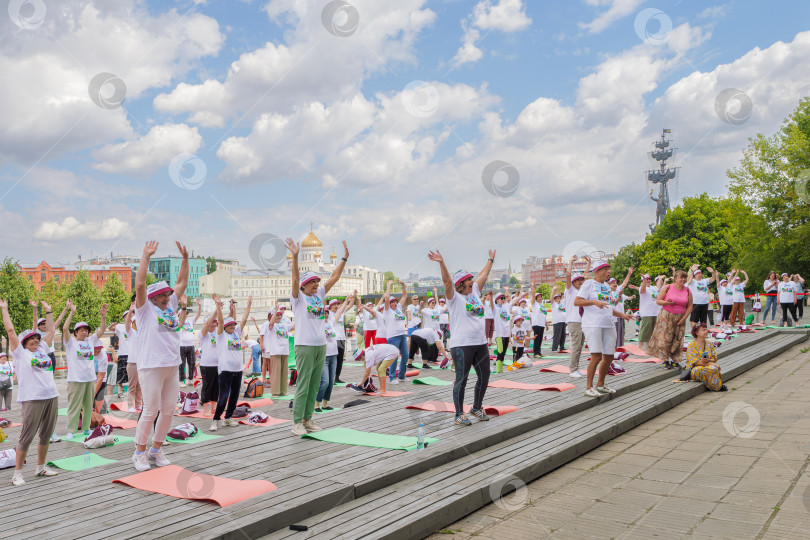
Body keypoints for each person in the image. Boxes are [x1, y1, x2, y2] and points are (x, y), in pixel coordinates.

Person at [131, 240, 190, 472]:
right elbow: (140, 284)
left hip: (171, 366)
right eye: (163, 295)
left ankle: (156, 450)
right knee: (151, 410)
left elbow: (182, 282)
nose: (167, 297)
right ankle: (139, 453)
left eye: (168, 294)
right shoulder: (145, 310)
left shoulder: (170, 307)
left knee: (168, 411)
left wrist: (185, 258)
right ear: (153, 298)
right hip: (151, 366)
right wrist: (145, 256)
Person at [284, 237, 349, 436]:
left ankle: (308, 419)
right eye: (312, 282)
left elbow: (334, 278)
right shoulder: (298, 298)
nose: (316, 284)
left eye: (316, 281)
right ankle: (296, 422)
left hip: (321, 345)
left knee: (315, 385)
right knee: (303, 384)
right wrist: (295, 256)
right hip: (304, 345)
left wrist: (344, 258)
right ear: (304, 286)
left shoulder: (319, 295)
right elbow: (295, 280)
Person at [428, 248, 495, 426]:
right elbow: (447, 281)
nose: (473, 281)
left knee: (484, 376)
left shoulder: (474, 293)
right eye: (469, 280)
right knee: (462, 379)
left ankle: (476, 407)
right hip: (462, 345)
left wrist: (490, 260)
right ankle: (459, 414)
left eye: (472, 279)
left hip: (480, 343)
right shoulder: (454, 298)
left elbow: (484, 276)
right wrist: (442, 263)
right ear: (461, 283)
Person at [0, 298, 60, 486]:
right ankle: (17, 474)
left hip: (52, 395)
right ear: (24, 343)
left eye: (36, 338)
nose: (35, 340)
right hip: (32, 399)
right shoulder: (20, 353)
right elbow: (10, 330)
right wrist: (4, 309)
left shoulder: (42, 348)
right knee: (27, 436)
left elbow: (50, 330)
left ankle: (40, 467)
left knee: (46, 434)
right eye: (31, 339)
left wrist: (48, 311)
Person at [575, 261, 635, 397]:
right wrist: (594, 302)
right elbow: (577, 301)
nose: (608, 272)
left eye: (609, 269)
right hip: (593, 324)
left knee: (608, 356)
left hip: (608, 324)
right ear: (597, 271)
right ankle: (588, 387)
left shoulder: (607, 287)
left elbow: (608, 307)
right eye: (606, 269)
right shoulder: (589, 284)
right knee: (596, 356)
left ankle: (600, 384)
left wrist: (623, 315)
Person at [62, 300, 107, 439]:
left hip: (89, 378)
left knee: (89, 406)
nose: (85, 332)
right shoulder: (71, 343)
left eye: (86, 330)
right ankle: (71, 430)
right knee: (74, 406)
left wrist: (103, 316)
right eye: (82, 330)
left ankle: (87, 428)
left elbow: (102, 330)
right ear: (76, 332)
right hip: (75, 379)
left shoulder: (90, 341)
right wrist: (71, 312)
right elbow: (64, 329)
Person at [210, 294, 251, 431]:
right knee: (223, 397)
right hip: (226, 369)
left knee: (234, 396)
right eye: (231, 325)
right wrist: (218, 306)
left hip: (237, 369)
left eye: (234, 325)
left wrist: (249, 304)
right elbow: (220, 321)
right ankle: (216, 420)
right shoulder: (221, 335)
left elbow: (244, 319)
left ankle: (228, 418)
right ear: (226, 327)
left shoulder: (235, 333)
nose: (233, 327)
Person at [646, 270, 693, 369]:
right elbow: (658, 301)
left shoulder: (687, 290)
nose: (683, 279)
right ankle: (665, 360)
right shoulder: (667, 287)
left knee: (678, 338)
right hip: (666, 316)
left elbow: (690, 307)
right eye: (681, 277)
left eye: (685, 277)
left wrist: (683, 319)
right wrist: (666, 303)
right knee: (665, 338)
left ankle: (675, 360)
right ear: (675, 278)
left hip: (680, 317)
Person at [316, 294, 354, 411]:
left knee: (331, 382)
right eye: (324, 313)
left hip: (334, 355)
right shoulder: (317, 325)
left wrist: (347, 301)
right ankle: (316, 404)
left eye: (327, 313)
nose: (326, 315)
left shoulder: (332, 322)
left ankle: (325, 404)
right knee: (325, 381)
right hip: (324, 356)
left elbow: (341, 310)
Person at [565, 255, 591, 378]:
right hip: (573, 321)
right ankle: (572, 370)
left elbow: (586, 275)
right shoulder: (570, 290)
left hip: (582, 321)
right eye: (579, 280)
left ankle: (576, 368)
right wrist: (570, 261)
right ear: (573, 282)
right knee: (576, 346)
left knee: (580, 346)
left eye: (582, 280)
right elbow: (568, 275)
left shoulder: (582, 291)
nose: (581, 281)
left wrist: (589, 262)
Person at [383, 280, 410, 385]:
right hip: (393, 336)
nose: (394, 303)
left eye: (395, 301)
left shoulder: (398, 308)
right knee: (394, 357)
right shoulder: (387, 311)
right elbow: (386, 297)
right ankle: (392, 377)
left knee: (405, 355)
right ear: (389, 304)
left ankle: (402, 376)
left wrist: (403, 285)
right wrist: (389, 285)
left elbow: (404, 296)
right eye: (392, 302)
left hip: (402, 335)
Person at [685, 324, 726, 391]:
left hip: (706, 365)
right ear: (697, 332)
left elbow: (714, 358)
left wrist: (708, 360)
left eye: (706, 329)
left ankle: (715, 386)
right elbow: (696, 362)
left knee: (713, 369)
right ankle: (717, 387)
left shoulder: (709, 343)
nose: (706, 331)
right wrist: (711, 364)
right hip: (695, 369)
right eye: (703, 330)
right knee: (713, 369)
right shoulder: (691, 345)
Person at [263, 305, 293, 397]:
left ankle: (282, 390)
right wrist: (275, 310)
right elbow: (271, 323)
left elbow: (294, 326)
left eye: (280, 315)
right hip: (275, 351)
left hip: (285, 351)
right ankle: (275, 391)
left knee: (284, 372)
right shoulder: (270, 326)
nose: (279, 317)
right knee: (276, 372)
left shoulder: (284, 325)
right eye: (277, 315)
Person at [629, 273, 664, 349]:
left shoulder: (653, 288)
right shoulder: (643, 288)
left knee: (652, 329)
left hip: (655, 312)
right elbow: (643, 290)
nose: (648, 281)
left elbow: (659, 287)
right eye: (646, 279)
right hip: (647, 312)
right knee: (645, 329)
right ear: (642, 281)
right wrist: (644, 282)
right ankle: (641, 345)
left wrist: (660, 278)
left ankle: (649, 344)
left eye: (649, 279)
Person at [489, 290, 520, 373]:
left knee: (504, 352)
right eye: (501, 298)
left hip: (506, 334)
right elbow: (492, 305)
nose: (503, 299)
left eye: (504, 298)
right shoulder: (495, 308)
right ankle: (499, 370)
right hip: (499, 335)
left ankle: (500, 369)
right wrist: (491, 297)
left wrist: (522, 295)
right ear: (497, 300)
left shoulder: (506, 307)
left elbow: (515, 301)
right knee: (500, 352)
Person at [197, 300, 219, 416]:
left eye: (215, 323)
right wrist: (216, 310)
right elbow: (206, 325)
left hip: (217, 364)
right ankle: (205, 409)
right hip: (207, 364)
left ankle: (214, 408)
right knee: (207, 387)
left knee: (216, 387)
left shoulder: (217, 333)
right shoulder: (203, 334)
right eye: (212, 322)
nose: (214, 324)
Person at [123, 306, 142, 412]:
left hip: (141, 362)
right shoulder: (131, 333)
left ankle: (138, 404)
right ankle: (130, 405)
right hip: (132, 362)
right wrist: (130, 311)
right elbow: (127, 325)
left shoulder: (142, 333)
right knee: (132, 385)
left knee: (140, 385)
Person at [609, 267, 634, 348]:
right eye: (613, 283)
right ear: (609, 285)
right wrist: (619, 296)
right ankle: (614, 348)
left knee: (621, 332)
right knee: (615, 333)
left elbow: (624, 283)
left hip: (621, 315)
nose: (615, 284)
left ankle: (620, 347)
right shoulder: (609, 293)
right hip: (614, 316)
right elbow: (615, 303)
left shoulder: (618, 290)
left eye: (616, 282)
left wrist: (629, 274)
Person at [178, 295, 198, 387]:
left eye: (187, 313)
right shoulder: (178, 321)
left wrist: (200, 306)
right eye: (184, 313)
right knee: (181, 364)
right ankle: (181, 380)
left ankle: (190, 379)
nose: (186, 314)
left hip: (190, 345)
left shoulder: (190, 321)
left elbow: (197, 315)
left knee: (191, 363)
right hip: (181, 345)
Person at [110, 311, 130, 397]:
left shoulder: (136, 325)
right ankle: (120, 390)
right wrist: (112, 325)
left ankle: (134, 391)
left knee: (133, 373)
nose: (129, 316)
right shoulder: (120, 327)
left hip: (134, 353)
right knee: (121, 372)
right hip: (123, 353)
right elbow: (111, 329)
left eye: (131, 314)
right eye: (126, 316)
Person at [528, 288, 548, 358]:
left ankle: (539, 352)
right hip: (536, 324)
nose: (540, 298)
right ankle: (535, 353)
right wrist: (533, 287)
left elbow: (544, 315)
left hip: (542, 324)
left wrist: (546, 324)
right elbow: (533, 296)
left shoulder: (541, 305)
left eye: (540, 297)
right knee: (536, 339)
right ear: (536, 298)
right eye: (538, 297)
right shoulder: (534, 304)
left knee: (540, 339)